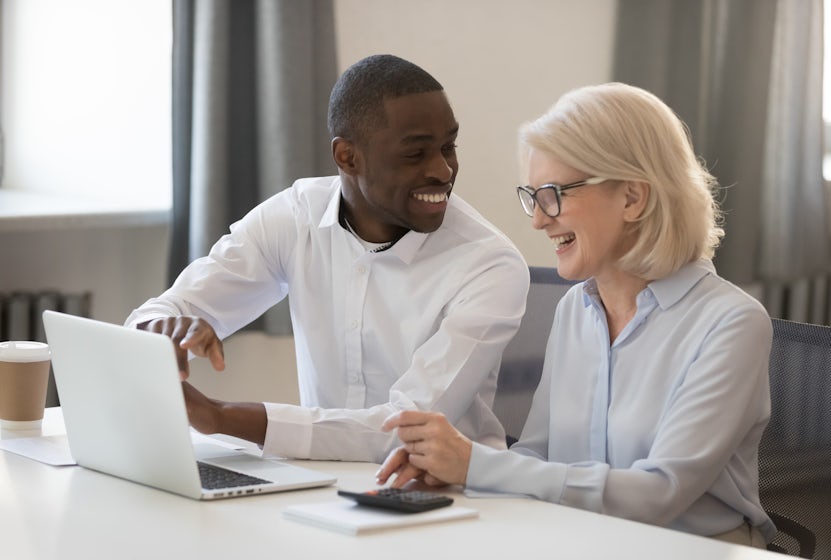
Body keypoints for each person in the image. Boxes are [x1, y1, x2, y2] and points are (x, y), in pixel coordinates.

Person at [378, 82, 776, 548]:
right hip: (581, 542)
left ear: (632, 198)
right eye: (533, 196)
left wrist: (476, 464)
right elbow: (537, 454)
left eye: (553, 194)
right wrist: (459, 480)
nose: (538, 220)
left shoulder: (731, 324)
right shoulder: (576, 310)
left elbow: (660, 493)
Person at [125, 54, 529, 463]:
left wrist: (221, 417)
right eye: (415, 154)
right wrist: (159, 329)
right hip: (318, 485)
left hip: (449, 499)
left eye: (448, 147)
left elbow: (405, 430)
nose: (443, 171)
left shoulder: (488, 264)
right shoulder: (294, 216)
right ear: (347, 157)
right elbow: (163, 311)